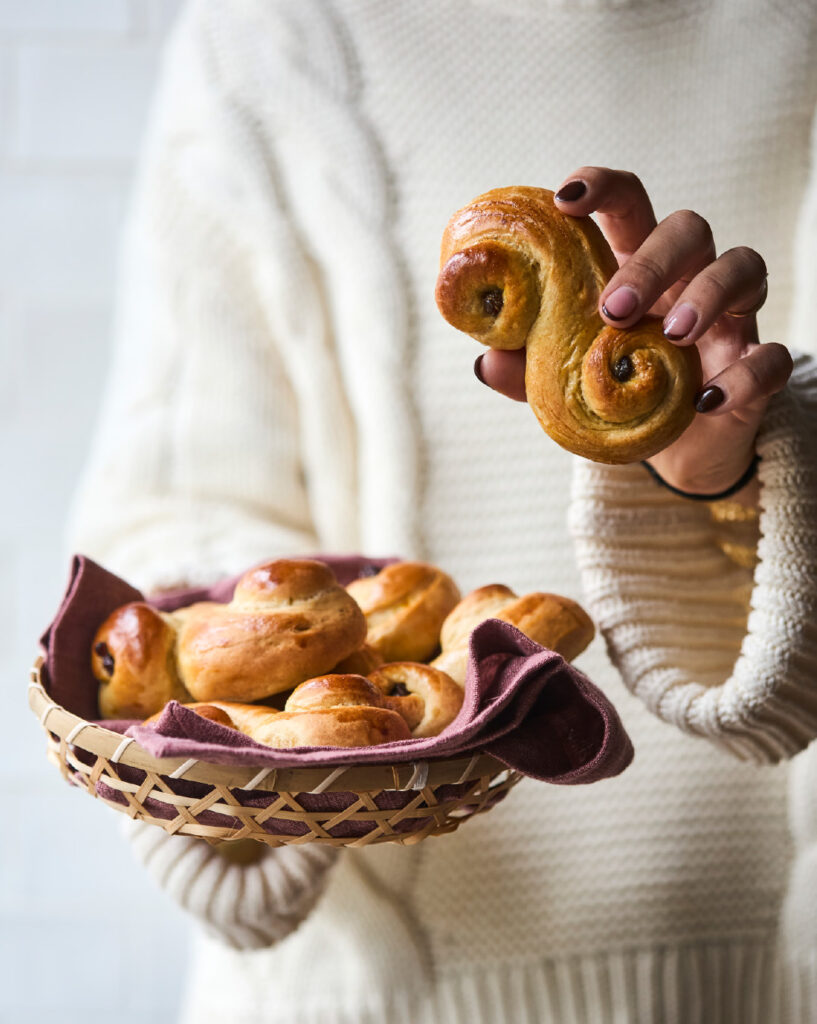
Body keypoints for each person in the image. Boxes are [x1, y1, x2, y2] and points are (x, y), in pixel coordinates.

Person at [67, 1, 817, 1021]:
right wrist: (250, 768)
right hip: (382, 994)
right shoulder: (275, 36)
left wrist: (723, 480)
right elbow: (175, 522)